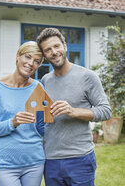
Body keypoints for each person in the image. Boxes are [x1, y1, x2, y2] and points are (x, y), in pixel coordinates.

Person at [37, 28, 112, 186]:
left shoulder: (87, 77)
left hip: (80, 158)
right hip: (51, 160)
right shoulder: (44, 81)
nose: (54, 52)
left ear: (65, 46)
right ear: (44, 55)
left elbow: (105, 110)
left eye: (57, 46)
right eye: (48, 50)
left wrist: (73, 111)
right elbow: (42, 118)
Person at [0, 41, 45, 186]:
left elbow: (42, 127)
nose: (30, 63)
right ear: (18, 56)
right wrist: (13, 122)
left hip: (34, 161)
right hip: (6, 163)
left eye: (36, 61)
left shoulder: (38, 87)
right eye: (27, 57)